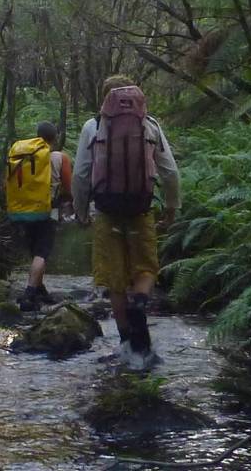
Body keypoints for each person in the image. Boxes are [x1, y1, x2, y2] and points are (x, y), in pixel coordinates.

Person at [72, 75, 179, 371]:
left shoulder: (92, 127)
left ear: (103, 98)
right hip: (141, 210)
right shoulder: (150, 125)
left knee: (115, 280)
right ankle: (141, 303)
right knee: (146, 268)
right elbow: (170, 171)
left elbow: (81, 174)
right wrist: (171, 207)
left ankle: (127, 347)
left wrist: (80, 211)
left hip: (107, 213)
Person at [5, 121, 71, 310]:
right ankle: (30, 292)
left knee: (34, 249)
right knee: (42, 252)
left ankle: (40, 289)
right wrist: (72, 204)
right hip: (46, 211)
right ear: (55, 137)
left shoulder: (24, 156)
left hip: (23, 208)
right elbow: (68, 188)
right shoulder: (60, 158)